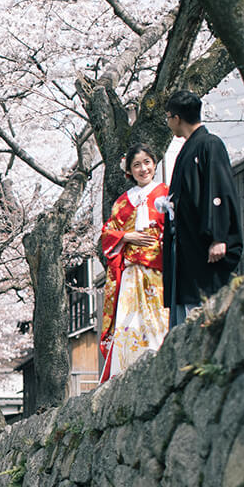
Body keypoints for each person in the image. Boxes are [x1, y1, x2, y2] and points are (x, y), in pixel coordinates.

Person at [162, 90, 243, 327]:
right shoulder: (189, 148)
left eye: (168, 117)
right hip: (186, 241)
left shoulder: (209, 144)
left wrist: (219, 237)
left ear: (177, 118)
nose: (168, 123)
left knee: (202, 304)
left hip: (204, 243)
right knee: (187, 303)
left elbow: (218, 190)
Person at [99, 144, 170, 382]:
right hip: (130, 272)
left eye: (147, 162)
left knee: (158, 316)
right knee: (130, 320)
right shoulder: (122, 202)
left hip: (158, 269)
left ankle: (161, 361)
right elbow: (107, 234)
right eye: (137, 165)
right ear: (129, 170)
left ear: (154, 163)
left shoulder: (166, 194)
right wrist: (126, 237)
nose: (143, 169)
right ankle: (127, 370)